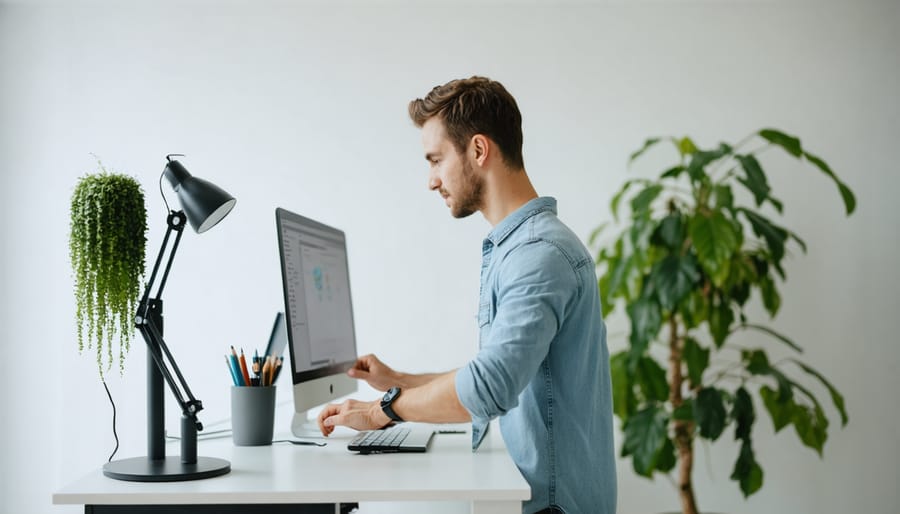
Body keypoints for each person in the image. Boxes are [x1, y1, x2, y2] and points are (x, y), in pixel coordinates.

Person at [317, 76, 616, 514]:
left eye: (436, 160)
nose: (431, 180)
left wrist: (383, 411)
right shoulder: (522, 246)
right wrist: (398, 382)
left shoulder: (538, 255)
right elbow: (499, 369)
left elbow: (490, 386)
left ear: (478, 150)